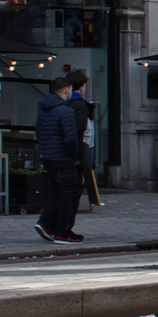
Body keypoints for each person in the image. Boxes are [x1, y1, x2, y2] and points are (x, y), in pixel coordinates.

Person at [34, 77, 84, 244]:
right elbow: (70, 138)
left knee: (56, 193)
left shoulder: (43, 107)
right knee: (70, 194)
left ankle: (47, 223)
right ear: (67, 90)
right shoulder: (65, 111)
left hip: (48, 155)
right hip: (62, 157)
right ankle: (62, 231)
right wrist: (75, 156)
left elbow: (39, 131)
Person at [67, 71, 101, 212]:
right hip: (82, 145)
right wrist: (78, 153)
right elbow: (80, 129)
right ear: (82, 86)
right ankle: (72, 205)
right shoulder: (79, 105)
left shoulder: (66, 103)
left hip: (75, 146)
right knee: (80, 175)